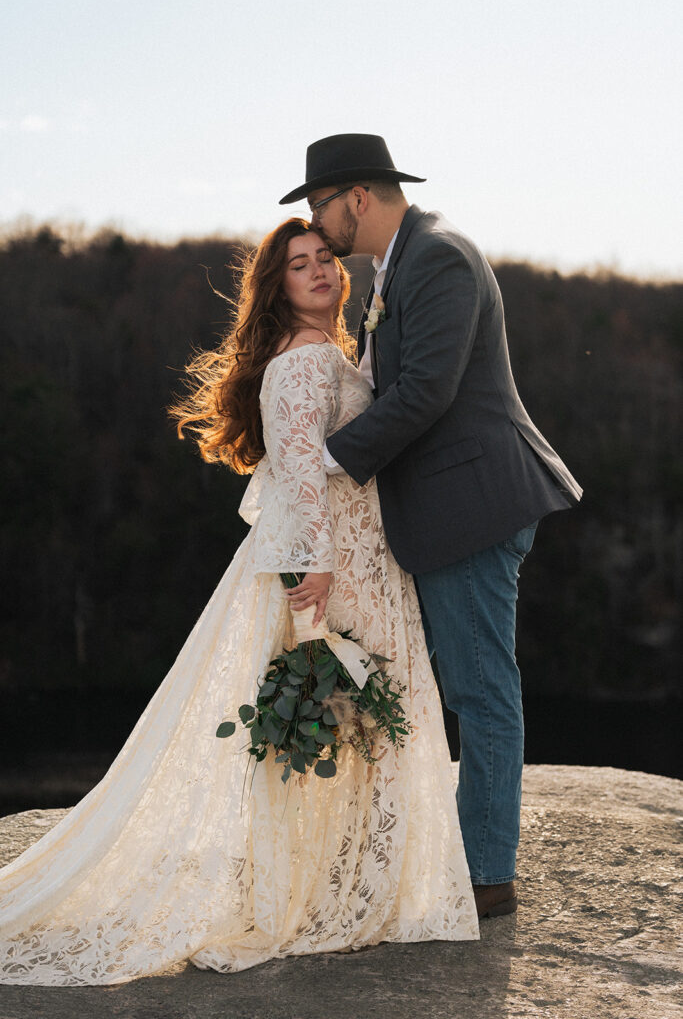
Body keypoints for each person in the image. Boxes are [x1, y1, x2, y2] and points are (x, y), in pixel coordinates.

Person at [0, 218, 478, 986]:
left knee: (355, 724)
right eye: (299, 264)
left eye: (325, 257)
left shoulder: (331, 351)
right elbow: (296, 474)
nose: (319, 271)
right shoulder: (298, 365)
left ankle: (347, 880)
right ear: (276, 285)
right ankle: (301, 889)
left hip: (361, 563)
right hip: (324, 570)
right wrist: (313, 584)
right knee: (321, 726)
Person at [279, 134, 583, 918]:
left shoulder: (439, 256)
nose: (318, 223)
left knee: (481, 690)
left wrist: (322, 463)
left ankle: (485, 878)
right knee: (466, 686)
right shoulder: (398, 265)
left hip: (473, 507)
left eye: (319, 204)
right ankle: (464, 859)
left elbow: (425, 394)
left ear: (356, 198)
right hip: (448, 511)